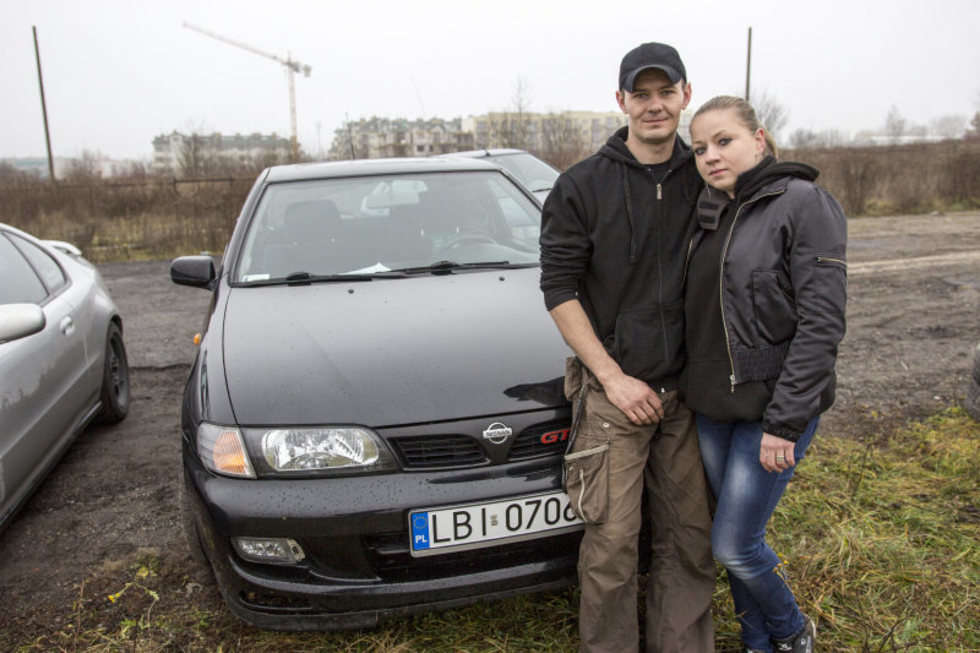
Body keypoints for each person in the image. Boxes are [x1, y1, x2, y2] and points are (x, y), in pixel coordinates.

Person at [540, 42, 715, 653]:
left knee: (690, 540)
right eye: (641, 95)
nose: (654, 105)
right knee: (612, 544)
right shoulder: (580, 187)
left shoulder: (708, 178)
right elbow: (558, 289)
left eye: (666, 92)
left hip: (688, 397)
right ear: (621, 102)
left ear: (685, 96)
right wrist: (612, 378)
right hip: (617, 396)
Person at [684, 95, 847, 653]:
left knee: (734, 546)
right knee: (733, 535)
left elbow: (822, 324)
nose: (710, 155)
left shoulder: (802, 203)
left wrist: (786, 419)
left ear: (759, 138)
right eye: (699, 147)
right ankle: (758, 643)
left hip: (771, 410)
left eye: (723, 141)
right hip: (712, 408)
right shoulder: (710, 212)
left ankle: (791, 628)